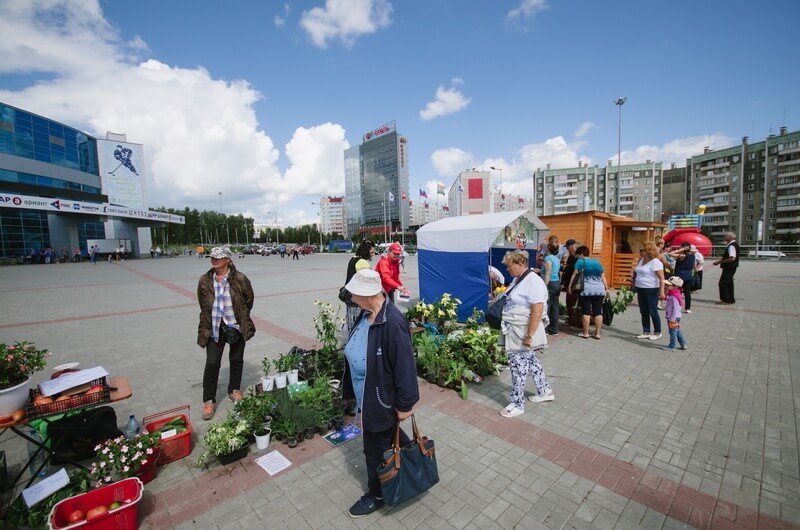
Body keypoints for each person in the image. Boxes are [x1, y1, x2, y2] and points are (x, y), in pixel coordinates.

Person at [342, 269, 419, 517]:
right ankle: (411, 465)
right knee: (388, 436)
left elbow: (405, 365)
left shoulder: (392, 321)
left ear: (367, 294)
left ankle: (377, 495)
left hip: (380, 399)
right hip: (367, 395)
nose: (351, 297)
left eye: (354, 293)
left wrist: (405, 404)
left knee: (374, 449)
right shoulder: (367, 314)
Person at [196, 246, 255, 420]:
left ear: (228, 260)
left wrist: (240, 316)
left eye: (218, 257)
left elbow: (248, 300)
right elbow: (202, 302)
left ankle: (234, 389)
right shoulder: (205, 280)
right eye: (212, 257)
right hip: (214, 326)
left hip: (235, 325)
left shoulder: (240, 279)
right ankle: (209, 400)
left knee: (236, 359)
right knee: (212, 362)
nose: (214, 260)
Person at [498, 250, 554, 418]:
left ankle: (517, 404)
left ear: (520, 264)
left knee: (518, 367)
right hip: (516, 328)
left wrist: (530, 335)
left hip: (521, 332)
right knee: (531, 361)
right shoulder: (519, 279)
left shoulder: (533, 281)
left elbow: (538, 310)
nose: (507, 269)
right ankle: (545, 391)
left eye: (509, 266)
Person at [568, 246, 608, 340]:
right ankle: (597, 333)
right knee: (598, 312)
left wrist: (570, 286)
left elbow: (574, 274)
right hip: (599, 289)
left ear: (581, 254)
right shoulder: (597, 262)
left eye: (578, 255)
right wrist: (606, 287)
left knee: (586, 312)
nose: (577, 257)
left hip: (586, 289)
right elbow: (603, 276)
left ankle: (585, 333)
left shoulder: (580, 261)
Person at [633, 241, 666, 340]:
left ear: (648, 251)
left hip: (651, 289)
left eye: (642, 250)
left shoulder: (655, 262)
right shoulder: (641, 260)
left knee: (653, 310)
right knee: (643, 311)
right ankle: (646, 331)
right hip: (640, 288)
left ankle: (657, 331)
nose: (640, 252)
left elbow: (661, 278)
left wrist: (662, 291)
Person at [344, 241, 376, 335]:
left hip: (350, 297)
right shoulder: (362, 262)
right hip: (359, 299)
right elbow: (368, 281)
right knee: (359, 325)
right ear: (366, 251)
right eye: (372, 252)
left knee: (352, 324)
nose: (373, 254)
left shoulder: (353, 259)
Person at [669, 242, 696, 313]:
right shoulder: (692, 255)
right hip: (688, 276)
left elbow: (670, 254)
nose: (679, 248)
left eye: (680, 247)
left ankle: (677, 305)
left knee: (677, 292)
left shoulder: (683, 255)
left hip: (680, 276)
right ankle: (687, 308)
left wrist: (679, 250)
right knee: (687, 293)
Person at [713, 232, 739, 304]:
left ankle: (725, 300)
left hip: (729, 267)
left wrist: (719, 262)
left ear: (730, 237)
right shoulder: (734, 244)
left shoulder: (731, 246)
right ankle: (731, 299)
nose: (724, 237)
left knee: (723, 283)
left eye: (726, 236)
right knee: (729, 283)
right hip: (732, 266)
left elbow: (732, 258)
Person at [663, 276, 687, 351]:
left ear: (675, 286)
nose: (666, 286)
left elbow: (676, 308)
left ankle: (672, 346)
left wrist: (672, 318)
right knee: (677, 330)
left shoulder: (674, 296)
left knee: (672, 332)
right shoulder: (672, 293)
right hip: (674, 316)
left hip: (673, 317)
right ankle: (683, 343)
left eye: (668, 285)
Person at [542, 243, 561, 335]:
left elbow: (548, 272)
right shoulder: (557, 259)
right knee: (555, 306)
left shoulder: (548, 258)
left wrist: (545, 286)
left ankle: (545, 328)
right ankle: (554, 329)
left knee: (547, 306)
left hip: (550, 283)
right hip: (556, 282)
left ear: (548, 248)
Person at [560, 239, 578, 326]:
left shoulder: (577, 257)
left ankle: (573, 319)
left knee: (572, 302)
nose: (567, 249)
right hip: (568, 282)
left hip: (573, 283)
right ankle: (571, 318)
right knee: (569, 302)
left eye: (567, 247)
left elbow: (575, 270)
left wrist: (566, 268)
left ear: (572, 246)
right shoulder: (571, 256)